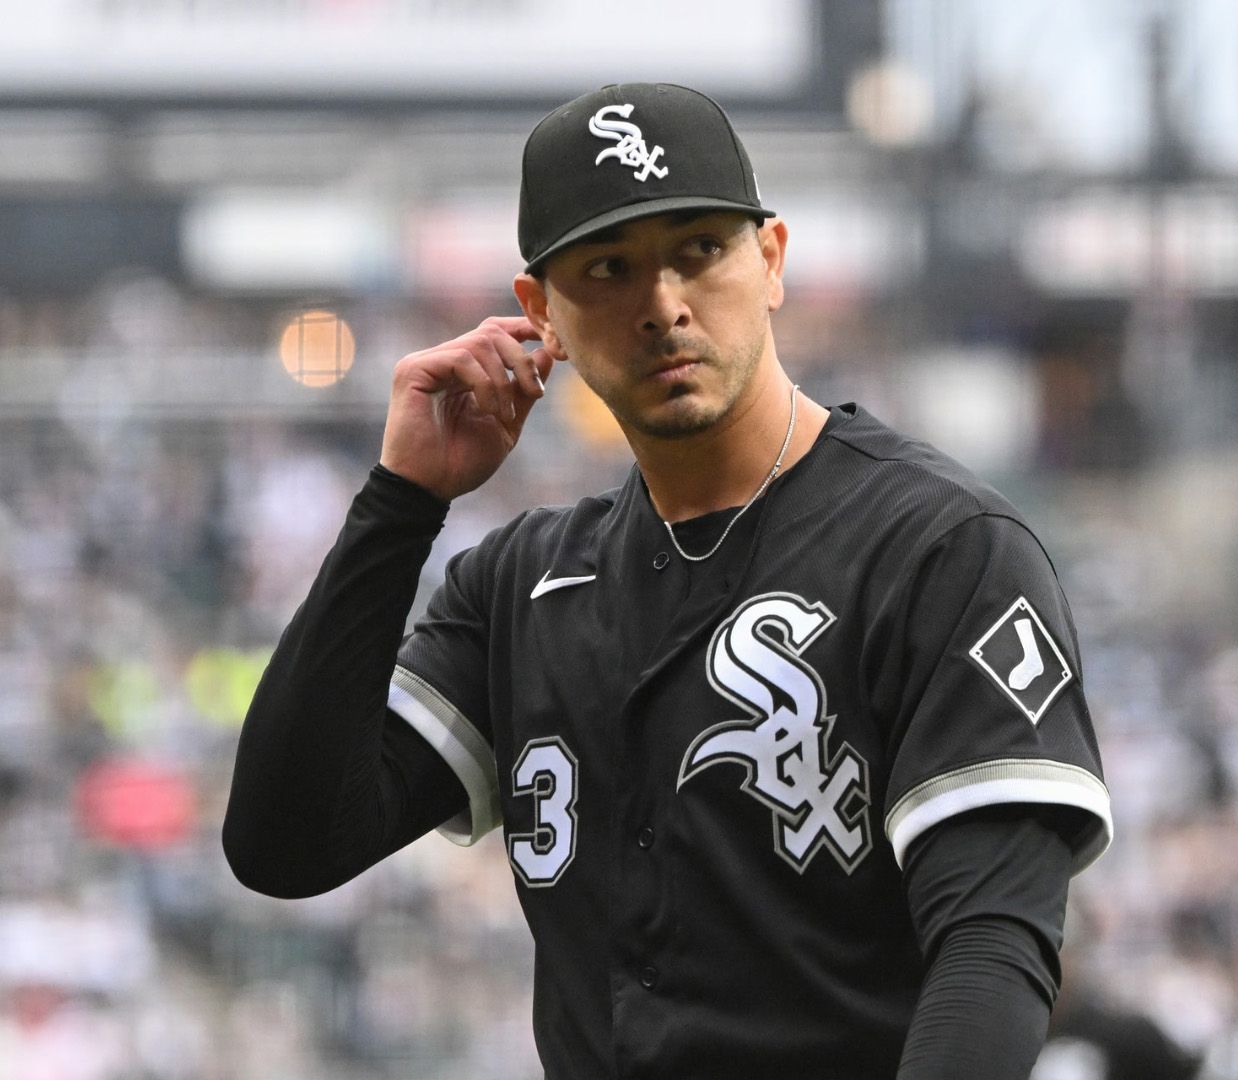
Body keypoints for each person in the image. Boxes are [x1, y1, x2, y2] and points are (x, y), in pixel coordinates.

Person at [223, 82, 1113, 1079]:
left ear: (769, 260)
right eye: (608, 267)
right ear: (539, 313)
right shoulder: (520, 585)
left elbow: (992, 949)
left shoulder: (937, 549)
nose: (661, 304)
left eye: (699, 248)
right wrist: (398, 505)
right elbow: (286, 844)